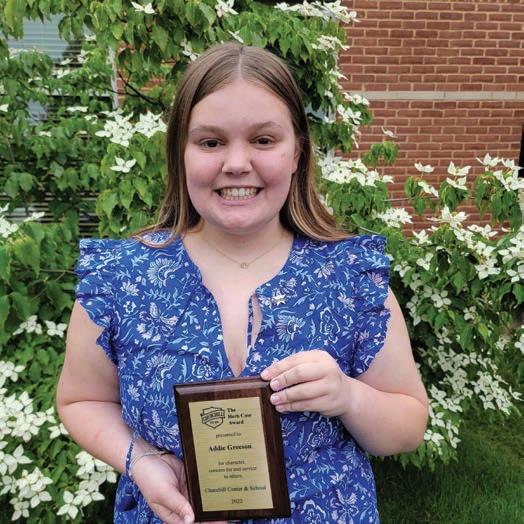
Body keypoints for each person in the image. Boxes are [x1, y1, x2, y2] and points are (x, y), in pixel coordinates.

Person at [56, 42, 428, 524]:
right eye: (211, 142)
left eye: (263, 140)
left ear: (297, 153)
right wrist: (141, 460)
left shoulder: (350, 278)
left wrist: (348, 396)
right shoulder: (122, 278)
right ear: (181, 153)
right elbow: (82, 399)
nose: (236, 163)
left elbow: (407, 426)